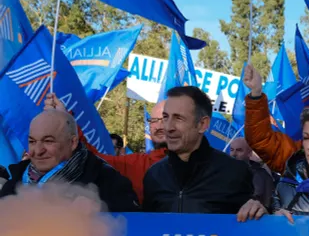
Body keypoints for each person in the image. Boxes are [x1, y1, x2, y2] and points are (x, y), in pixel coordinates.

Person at [143, 86, 264, 221]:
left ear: (202, 124)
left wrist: (263, 214)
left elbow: (250, 230)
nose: (168, 127)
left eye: (178, 118)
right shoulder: (154, 175)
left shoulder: (234, 172)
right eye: (165, 117)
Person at [0, 110, 139, 212]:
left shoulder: (107, 181)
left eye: (48, 141)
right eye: (32, 141)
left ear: (72, 142)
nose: (38, 150)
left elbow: (135, 230)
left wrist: (101, 211)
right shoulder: (15, 181)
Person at [44, 94, 168, 204]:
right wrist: (65, 119)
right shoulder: (136, 163)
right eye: (154, 121)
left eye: (165, 119)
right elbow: (90, 156)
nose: (159, 126)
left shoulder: (187, 165)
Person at [230, 137, 275, 208]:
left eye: (239, 150)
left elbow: (263, 203)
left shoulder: (260, 175)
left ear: (249, 153)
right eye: (231, 150)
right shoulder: (227, 171)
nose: (234, 154)